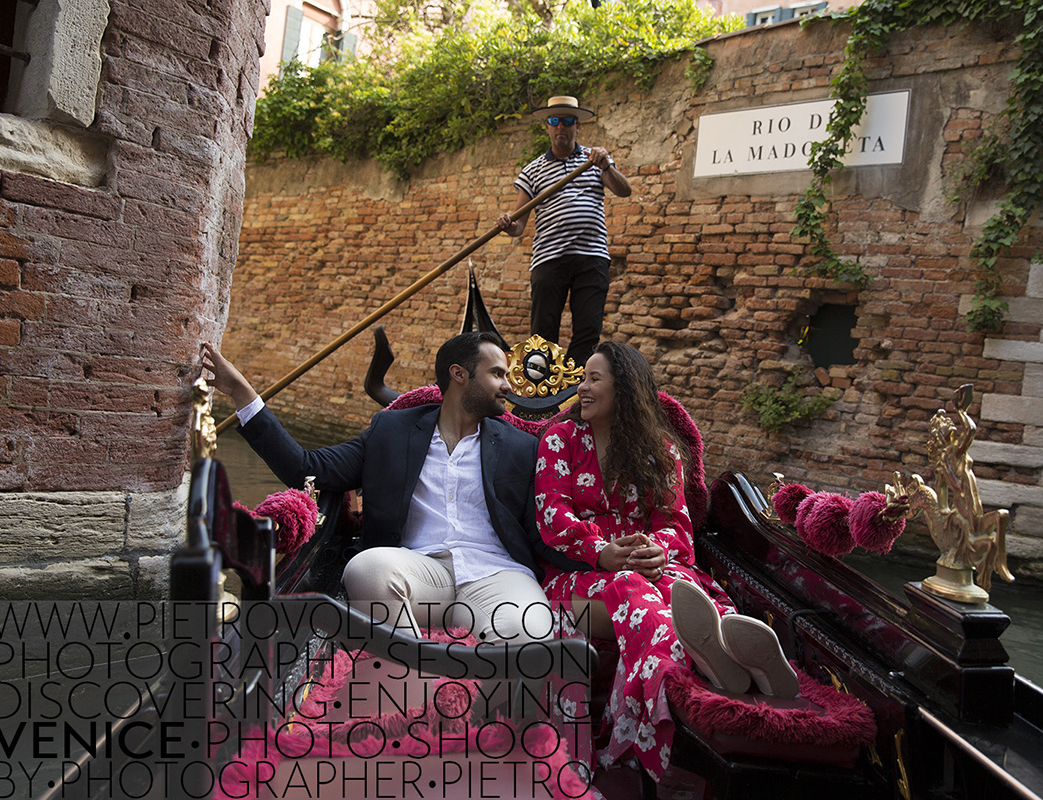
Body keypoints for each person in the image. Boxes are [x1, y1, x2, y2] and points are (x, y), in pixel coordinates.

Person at [201, 332, 587, 643]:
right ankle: (416, 685)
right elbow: (307, 468)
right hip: (418, 572)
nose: (508, 385)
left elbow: (549, 522)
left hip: (495, 575)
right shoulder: (391, 431)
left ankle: (485, 718)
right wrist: (241, 394)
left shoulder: (523, 447)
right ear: (459, 375)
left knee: (532, 629)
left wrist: (601, 556)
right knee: (367, 568)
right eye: (498, 374)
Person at [534, 341, 800, 785]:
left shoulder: (659, 450)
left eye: (593, 380)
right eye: (582, 379)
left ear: (625, 389)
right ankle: (666, 713)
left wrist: (655, 550)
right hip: (576, 581)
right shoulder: (559, 439)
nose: (581, 389)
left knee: (682, 587)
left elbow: (676, 524)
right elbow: (551, 512)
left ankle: (733, 660)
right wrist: (603, 552)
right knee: (632, 589)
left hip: (649, 571)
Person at [496, 95, 632, 367]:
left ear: (577, 126)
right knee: (543, 333)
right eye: (555, 121)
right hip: (549, 258)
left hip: (592, 257)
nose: (561, 127)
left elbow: (624, 190)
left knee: (588, 330)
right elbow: (520, 225)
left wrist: (606, 165)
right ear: (546, 126)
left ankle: (574, 392)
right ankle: (540, 396)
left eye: (568, 121)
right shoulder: (532, 170)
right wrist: (509, 225)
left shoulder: (594, 159)